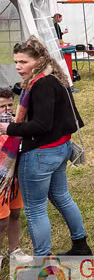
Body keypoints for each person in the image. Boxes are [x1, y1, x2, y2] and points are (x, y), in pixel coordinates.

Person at [1, 38, 91, 256]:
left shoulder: (40, 84)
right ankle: (81, 246)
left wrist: (8, 128)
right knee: (62, 197)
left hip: (41, 154)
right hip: (60, 148)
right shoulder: (53, 77)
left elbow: (41, 125)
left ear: (39, 59)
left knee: (35, 209)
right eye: (16, 61)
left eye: (23, 62)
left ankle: (42, 263)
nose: (18, 66)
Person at [0, 88, 34, 265]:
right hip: (1, 181)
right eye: (2, 106)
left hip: (14, 179)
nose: (6, 110)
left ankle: (13, 250)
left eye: (9, 105)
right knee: (2, 220)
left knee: (15, 213)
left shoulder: (15, 124)